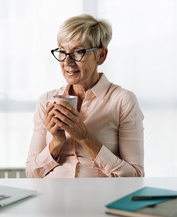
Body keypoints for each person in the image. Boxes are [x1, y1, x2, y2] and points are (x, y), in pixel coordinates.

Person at [25, 14, 144, 178]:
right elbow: (32, 173)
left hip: (100, 201)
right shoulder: (47, 100)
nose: (67, 62)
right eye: (62, 51)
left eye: (78, 52)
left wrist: (85, 137)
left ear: (100, 56)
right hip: (53, 199)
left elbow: (135, 176)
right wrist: (56, 142)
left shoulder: (123, 101)